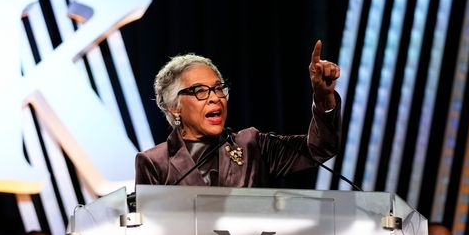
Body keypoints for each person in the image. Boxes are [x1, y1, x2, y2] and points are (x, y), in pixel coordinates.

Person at [135, 40, 341, 186]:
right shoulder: (154, 163)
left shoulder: (252, 146)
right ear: (174, 106)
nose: (215, 97)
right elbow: (148, 234)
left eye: (218, 88)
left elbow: (320, 148)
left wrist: (323, 97)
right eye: (200, 91)